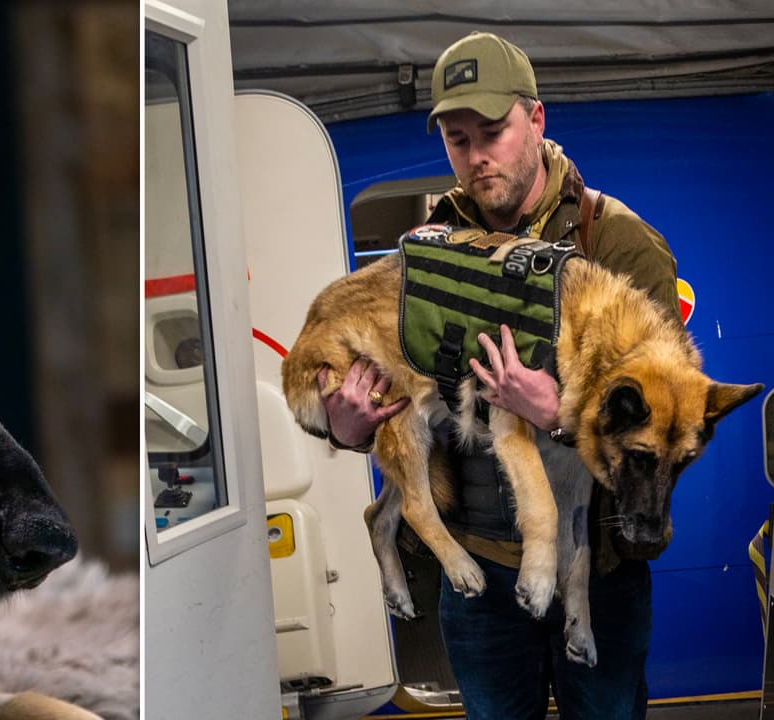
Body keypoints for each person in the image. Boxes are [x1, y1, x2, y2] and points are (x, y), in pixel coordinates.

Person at [321, 32, 680, 720]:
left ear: (536, 119)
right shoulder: (427, 253)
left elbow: (663, 428)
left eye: (493, 130)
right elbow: (399, 388)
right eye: (458, 139)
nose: (477, 155)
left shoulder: (618, 242)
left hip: (594, 571)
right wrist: (345, 427)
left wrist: (560, 413)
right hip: (477, 575)